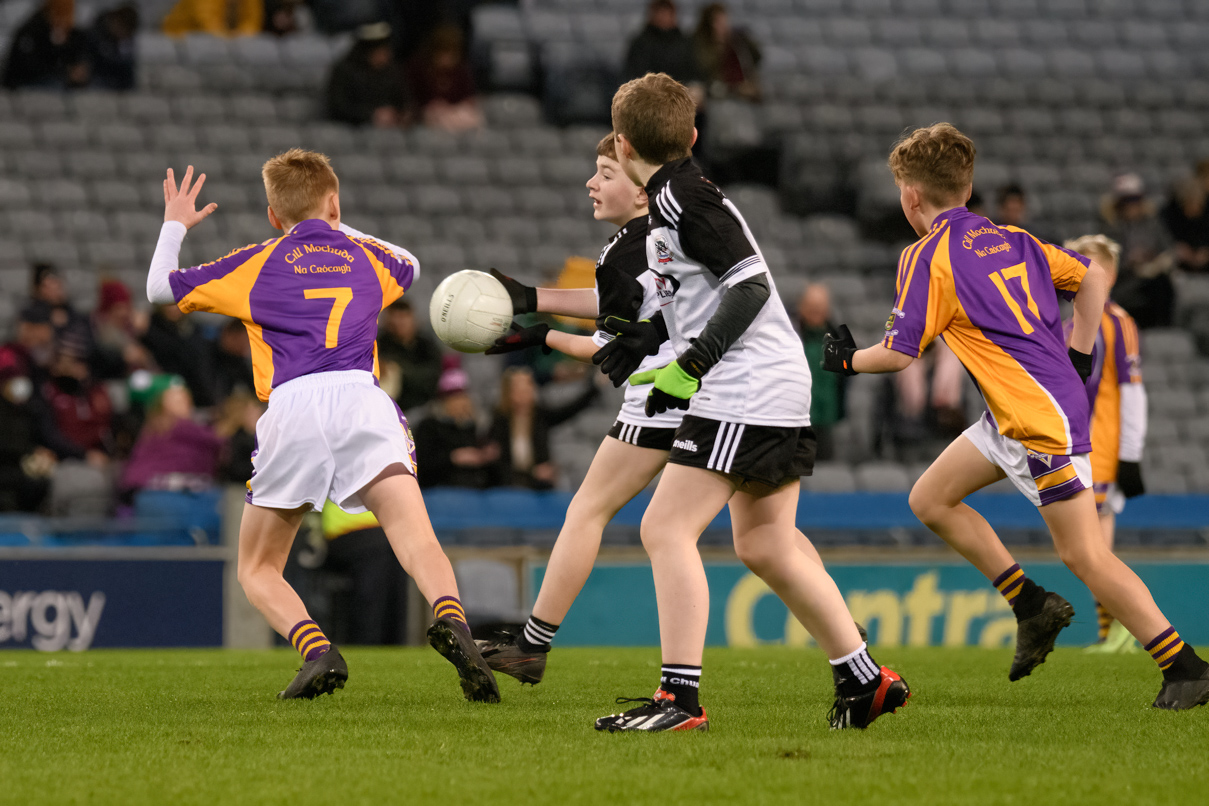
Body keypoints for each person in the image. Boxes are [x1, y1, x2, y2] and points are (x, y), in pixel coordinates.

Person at [823, 123, 1208, 710]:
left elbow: (900, 355)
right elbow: (1095, 278)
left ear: (910, 197)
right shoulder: (1014, 239)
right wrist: (1080, 352)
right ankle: (1031, 605)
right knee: (929, 499)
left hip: (1036, 422)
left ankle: (1184, 666)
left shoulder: (927, 256)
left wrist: (846, 360)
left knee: (1085, 556)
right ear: (970, 187)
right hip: (1018, 413)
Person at [476, 132, 864, 691]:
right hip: (712, 383)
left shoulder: (656, 226)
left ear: (638, 187)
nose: (593, 181)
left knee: (610, 513)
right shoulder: (651, 231)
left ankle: (547, 649)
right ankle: (849, 644)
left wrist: (541, 334)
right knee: (768, 537)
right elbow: (632, 310)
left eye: (606, 171)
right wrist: (536, 305)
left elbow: (618, 335)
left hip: (688, 386)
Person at [593, 74, 908, 732]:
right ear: (692, 135)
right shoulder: (680, 196)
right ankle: (861, 677)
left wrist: (691, 366)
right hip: (770, 380)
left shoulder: (678, 197)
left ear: (622, 145)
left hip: (743, 382)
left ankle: (677, 700)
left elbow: (750, 288)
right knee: (765, 542)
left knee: (664, 529)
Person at [145, 150, 499, 703]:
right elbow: (410, 262)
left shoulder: (257, 261)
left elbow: (159, 290)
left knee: (258, 567)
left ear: (271, 215)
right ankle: (453, 620)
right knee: (414, 536)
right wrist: (332, 221)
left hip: (293, 408)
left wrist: (174, 223)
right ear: (334, 202)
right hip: (363, 398)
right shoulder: (365, 258)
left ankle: (316, 650)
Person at [1063, 235, 1148, 653]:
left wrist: (1130, 457)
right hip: (1077, 448)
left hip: (1104, 450)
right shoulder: (1071, 323)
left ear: (1109, 274)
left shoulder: (1117, 322)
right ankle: (1111, 631)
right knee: (1092, 546)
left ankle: (1122, 627)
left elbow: (1132, 393)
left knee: (1093, 548)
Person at [488, 367, 598, 490]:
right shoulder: (500, 420)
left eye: (529, 384)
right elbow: (498, 462)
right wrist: (532, 473)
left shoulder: (540, 415)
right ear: (509, 391)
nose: (527, 390)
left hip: (539, 485)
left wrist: (595, 387)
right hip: (509, 485)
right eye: (520, 386)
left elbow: (570, 409)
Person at [320, 501, 411, 646]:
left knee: (395, 554)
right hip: (348, 532)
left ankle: (391, 642)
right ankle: (369, 641)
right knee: (379, 554)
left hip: (383, 532)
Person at [120, 377, 221, 495]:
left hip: (142, 485)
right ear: (164, 404)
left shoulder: (156, 424)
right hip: (156, 486)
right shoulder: (173, 424)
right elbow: (216, 440)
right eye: (178, 401)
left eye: (186, 399)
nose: (185, 404)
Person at [1101, 173, 1175, 329]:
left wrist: (1155, 258)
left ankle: (1163, 328)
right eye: (1127, 201)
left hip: (1153, 276)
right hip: (1125, 282)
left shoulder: (1152, 225)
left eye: (1136, 200)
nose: (1132, 205)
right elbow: (1105, 264)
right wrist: (1130, 260)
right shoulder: (1111, 229)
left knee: (1162, 284)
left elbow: (1168, 249)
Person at [412, 366, 500, 489]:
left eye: (463, 397)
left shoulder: (471, 427)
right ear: (444, 401)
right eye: (455, 398)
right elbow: (422, 463)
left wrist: (485, 456)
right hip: (440, 489)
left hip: (474, 490)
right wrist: (452, 457)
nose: (461, 402)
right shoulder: (429, 426)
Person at [326, 23, 412, 129]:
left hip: (391, 129)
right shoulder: (345, 70)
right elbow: (338, 107)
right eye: (379, 49)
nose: (385, 54)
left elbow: (405, 101)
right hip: (354, 129)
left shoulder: (391, 71)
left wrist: (401, 114)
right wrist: (371, 115)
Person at [795, 283, 845, 460]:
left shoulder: (838, 341)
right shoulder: (791, 339)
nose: (816, 311)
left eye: (820, 307)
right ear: (802, 307)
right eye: (812, 306)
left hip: (828, 422)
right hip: (797, 422)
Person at [405, 25, 482, 133]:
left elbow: (469, 99)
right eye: (443, 53)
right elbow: (411, 102)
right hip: (427, 117)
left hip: (456, 113)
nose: (446, 59)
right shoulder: (418, 69)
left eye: (451, 54)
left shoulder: (462, 70)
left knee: (472, 118)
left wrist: (455, 108)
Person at [1, 0, 89, 89]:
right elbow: (27, 66)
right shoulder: (33, 31)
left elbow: (79, 57)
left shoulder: (74, 34)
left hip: (55, 82)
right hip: (26, 83)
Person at [378, 299, 443, 411]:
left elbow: (433, 376)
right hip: (392, 408)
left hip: (425, 405)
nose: (399, 323)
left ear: (413, 318)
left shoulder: (426, 345)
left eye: (403, 317)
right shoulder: (379, 344)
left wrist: (397, 368)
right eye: (395, 317)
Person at [623, 1, 702, 88]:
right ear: (653, 15)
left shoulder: (684, 42)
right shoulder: (640, 44)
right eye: (661, 13)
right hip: (649, 93)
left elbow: (693, 71)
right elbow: (635, 75)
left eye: (668, 13)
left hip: (680, 93)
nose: (664, 17)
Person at [692, 3, 761, 102]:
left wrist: (745, 40)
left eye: (724, 20)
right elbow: (705, 67)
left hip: (742, 87)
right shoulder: (702, 43)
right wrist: (719, 44)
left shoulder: (738, 39)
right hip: (716, 89)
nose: (723, 25)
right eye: (718, 21)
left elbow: (756, 57)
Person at [1161, 176, 1209, 274]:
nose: (1194, 210)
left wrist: (1205, 251)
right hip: (1179, 260)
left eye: (1197, 205)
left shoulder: (1206, 212)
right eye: (1189, 204)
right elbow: (1164, 238)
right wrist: (1178, 248)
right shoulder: (1169, 214)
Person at [87, 3, 137, 91]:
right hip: (95, 81)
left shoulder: (125, 42)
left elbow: (128, 70)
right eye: (123, 31)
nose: (122, 35)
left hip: (116, 83)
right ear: (116, 21)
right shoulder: (94, 36)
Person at [162, 0, 263, 37]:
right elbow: (207, 23)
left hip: (221, 42)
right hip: (181, 38)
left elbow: (252, 22)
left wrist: (241, 36)